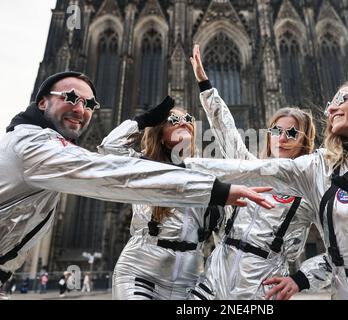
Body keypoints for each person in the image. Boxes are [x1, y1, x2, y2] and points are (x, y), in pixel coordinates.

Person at [184, 75, 348, 299]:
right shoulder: (318, 170)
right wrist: (176, 167)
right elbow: (244, 165)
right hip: (346, 291)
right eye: (276, 132)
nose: (331, 108)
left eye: (341, 99)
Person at [0, 71, 273, 289]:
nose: (81, 109)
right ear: (42, 102)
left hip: (187, 278)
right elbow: (110, 168)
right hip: (140, 273)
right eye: (71, 97)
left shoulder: (48, 144)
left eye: (89, 103)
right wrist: (140, 122)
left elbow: (230, 234)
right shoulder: (33, 146)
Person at [186, 44, 330, 300]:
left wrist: (302, 278)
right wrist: (204, 83)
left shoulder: (312, 188)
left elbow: (344, 244)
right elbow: (225, 130)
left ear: (304, 139)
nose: (282, 137)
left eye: (292, 132)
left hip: (261, 288)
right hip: (214, 279)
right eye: (276, 131)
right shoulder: (252, 169)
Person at [98, 98, 250, 300]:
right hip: (140, 273)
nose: (184, 122)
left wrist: (212, 284)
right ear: (160, 135)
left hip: (188, 282)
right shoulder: (143, 167)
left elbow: (227, 238)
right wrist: (144, 120)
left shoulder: (208, 177)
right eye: (173, 120)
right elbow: (109, 148)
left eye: (188, 119)